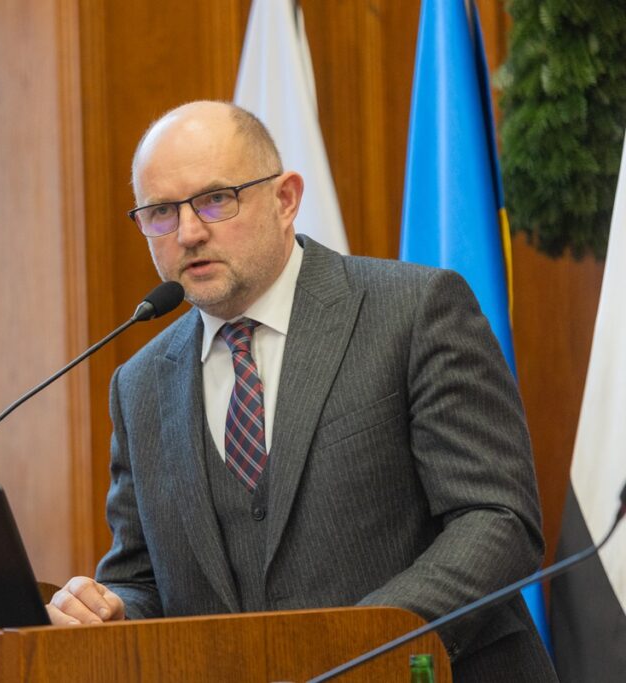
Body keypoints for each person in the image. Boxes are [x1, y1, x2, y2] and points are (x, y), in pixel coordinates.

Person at [46, 100, 556, 681]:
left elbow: (496, 518)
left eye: (216, 198)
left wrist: (360, 646)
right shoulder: (139, 384)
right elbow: (140, 582)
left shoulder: (413, 310)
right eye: (161, 211)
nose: (188, 232)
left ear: (285, 199)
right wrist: (107, 613)